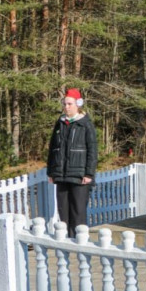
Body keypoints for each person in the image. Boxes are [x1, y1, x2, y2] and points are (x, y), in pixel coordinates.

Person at [47, 88, 98, 238]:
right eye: (65, 103)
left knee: (78, 211)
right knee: (63, 211)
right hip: (61, 175)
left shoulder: (85, 124)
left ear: (78, 104)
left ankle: (79, 241)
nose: (66, 106)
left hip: (80, 176)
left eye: (70, 104)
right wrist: (51, 171)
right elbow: (53, 148)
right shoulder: (60, 123)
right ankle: (67, 241)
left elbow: (92, 150)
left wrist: (89, 173)